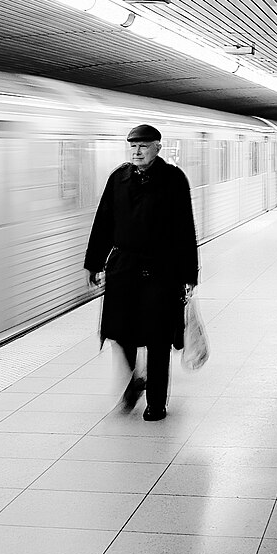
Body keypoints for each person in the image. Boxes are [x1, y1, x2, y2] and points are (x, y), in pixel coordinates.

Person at [84, 124, 199, 421]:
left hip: (162, 270)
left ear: (157, 148)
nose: (137, 151)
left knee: (158, 339)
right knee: (122, 334)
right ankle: (133, 382)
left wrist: (189, 275)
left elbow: (185, 229)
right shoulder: (118, 179)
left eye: (143, 146)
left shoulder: (174, 179)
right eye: (133, 146)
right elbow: (104, 222)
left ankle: (156, 402)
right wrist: (94, 262)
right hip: (124, 269)